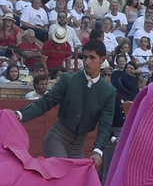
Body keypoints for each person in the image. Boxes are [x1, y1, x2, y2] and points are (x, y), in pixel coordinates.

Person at [17, 43, 117, 177]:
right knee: (61, 177)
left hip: (78, 147)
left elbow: (105, 125)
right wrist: (20, 115)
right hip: (58, 138)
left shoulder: (108, 91)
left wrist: (98, 151)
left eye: (92, 58)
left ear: (102, 59)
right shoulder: (68, 79)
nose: (87, 62)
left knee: (76, 184)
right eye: (85, 57)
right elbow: (45, 103)